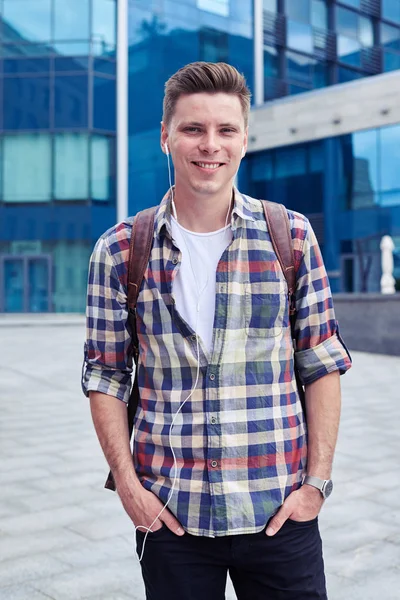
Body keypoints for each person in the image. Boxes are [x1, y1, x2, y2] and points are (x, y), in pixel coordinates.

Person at [82, 62, 352, 600]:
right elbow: (106, 377)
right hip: (171, 516)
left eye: (226, 130)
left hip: (279, 509)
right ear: (165, 137)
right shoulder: (119, 251)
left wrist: (316, 485)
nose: (211, 145)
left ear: (245, 140)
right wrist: (130, 489)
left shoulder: (291, 236)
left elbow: (321, 364)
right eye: (193, 129)